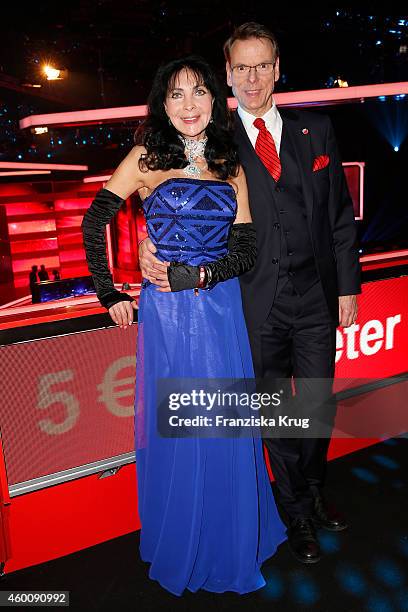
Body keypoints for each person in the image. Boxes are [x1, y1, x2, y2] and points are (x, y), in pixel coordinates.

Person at [139, 23, 362, 565]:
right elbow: (168, 198)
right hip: (247, 305)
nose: (254, 77)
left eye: (262, 65)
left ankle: (311, 491)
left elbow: (338, 219)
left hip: (315, 297)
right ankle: (297, 515)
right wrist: (148, 249)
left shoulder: (318, 131)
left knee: (314, 406)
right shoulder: (212, 141)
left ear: (278, 68)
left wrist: (348, 288)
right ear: (228, 75)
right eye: (242, 67)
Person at [82, 56, 286, 596]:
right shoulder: (147, 158)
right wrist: (109, 292)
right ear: (162, 103)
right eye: (177, 95)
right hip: (167, 320)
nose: (190, 105)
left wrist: (196, 273)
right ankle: (186, 539)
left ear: (215, 100)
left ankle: (226, 539)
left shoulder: (230, 161)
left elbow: (244, 249)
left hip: (219, 313)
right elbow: (94, 219)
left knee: (221, 427)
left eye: (199, 92)